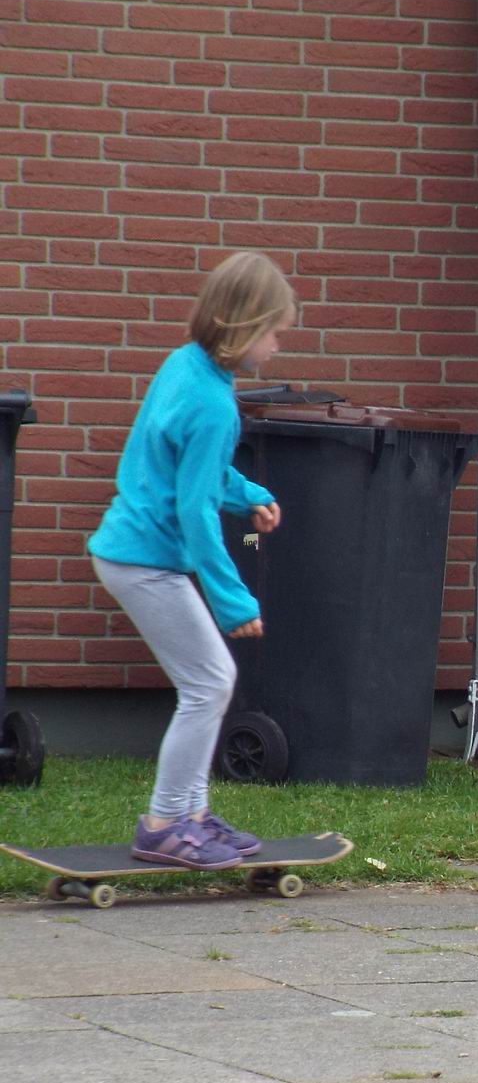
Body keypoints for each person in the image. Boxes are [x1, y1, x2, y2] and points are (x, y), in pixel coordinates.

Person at [87, 252, 295, 868]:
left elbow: (192, 472)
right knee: (209, 683)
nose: (278, 345)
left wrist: (249, 495)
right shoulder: (213, 404)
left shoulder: (185, 366)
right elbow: (196, 511)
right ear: (243, 325)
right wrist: (234, 600)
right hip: (145, 562)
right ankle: (164, 823)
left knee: (205, 683)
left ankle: (192, 817)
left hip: (131, 551)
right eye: (274, 332)